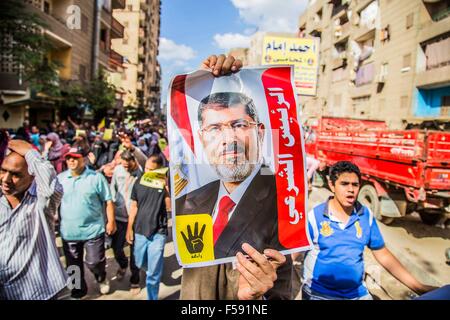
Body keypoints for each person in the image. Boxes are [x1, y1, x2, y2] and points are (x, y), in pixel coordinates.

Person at [179, 54, 290, 300]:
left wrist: (254, 299)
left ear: (260, 133)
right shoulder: (188, 200)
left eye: (239, 125)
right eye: (215, 128)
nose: (229, 140)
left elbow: (282, 292)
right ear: (202, 138)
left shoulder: (282, 205)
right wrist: (200, 81)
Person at [301, 161, 437, 300]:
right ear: (331, 185)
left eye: (355, 185)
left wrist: (418, 287)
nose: (351, 189)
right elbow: (293, 251)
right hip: (319, 294)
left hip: (357, 293)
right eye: (344, 184)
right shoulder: (315, 217)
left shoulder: (365, 216)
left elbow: (382, 254)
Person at [0, 139, 67, 300]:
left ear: (32, 178)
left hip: (42, 293)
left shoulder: (40, 204)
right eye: (3, 170)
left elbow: (53, 189)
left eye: (16, 174)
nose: (6, 179)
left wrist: (31, 152)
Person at [57, 145, 117, 299]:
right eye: (69, 158)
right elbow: (53, 203)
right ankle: (78, 292)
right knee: (73, 266)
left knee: (94, 262)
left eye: (75, 158)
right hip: (69, 232)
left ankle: (101, 277)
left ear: (83, 159)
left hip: (93, 230)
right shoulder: (60, 179)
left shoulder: (96, 178)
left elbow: (108, 201)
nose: (71, 161)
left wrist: (111, 221)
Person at [125, 154, 170, 300]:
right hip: (139, 231)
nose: (147, 172)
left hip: (158, 232)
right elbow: (134, 206)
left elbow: (169, 208)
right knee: (138, 262)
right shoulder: (139, 181)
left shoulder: (164, 185)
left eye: (151, 169)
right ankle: (153, 269)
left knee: (153, 274)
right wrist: (129, 228)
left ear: (159, 170)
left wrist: (167, 188)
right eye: (146, 168)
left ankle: (152, 295)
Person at [110, 150, 142, 293]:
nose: (125, 167)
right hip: (119, 216)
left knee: (135, 251)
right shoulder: (118, 170)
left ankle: (135, 280)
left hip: (135, 218)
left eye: (128, 165)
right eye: (123, 164)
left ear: (134, 161)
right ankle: (122, 264)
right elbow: (113, 188)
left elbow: (145, 159)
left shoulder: (140, 172)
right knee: (116, 248)